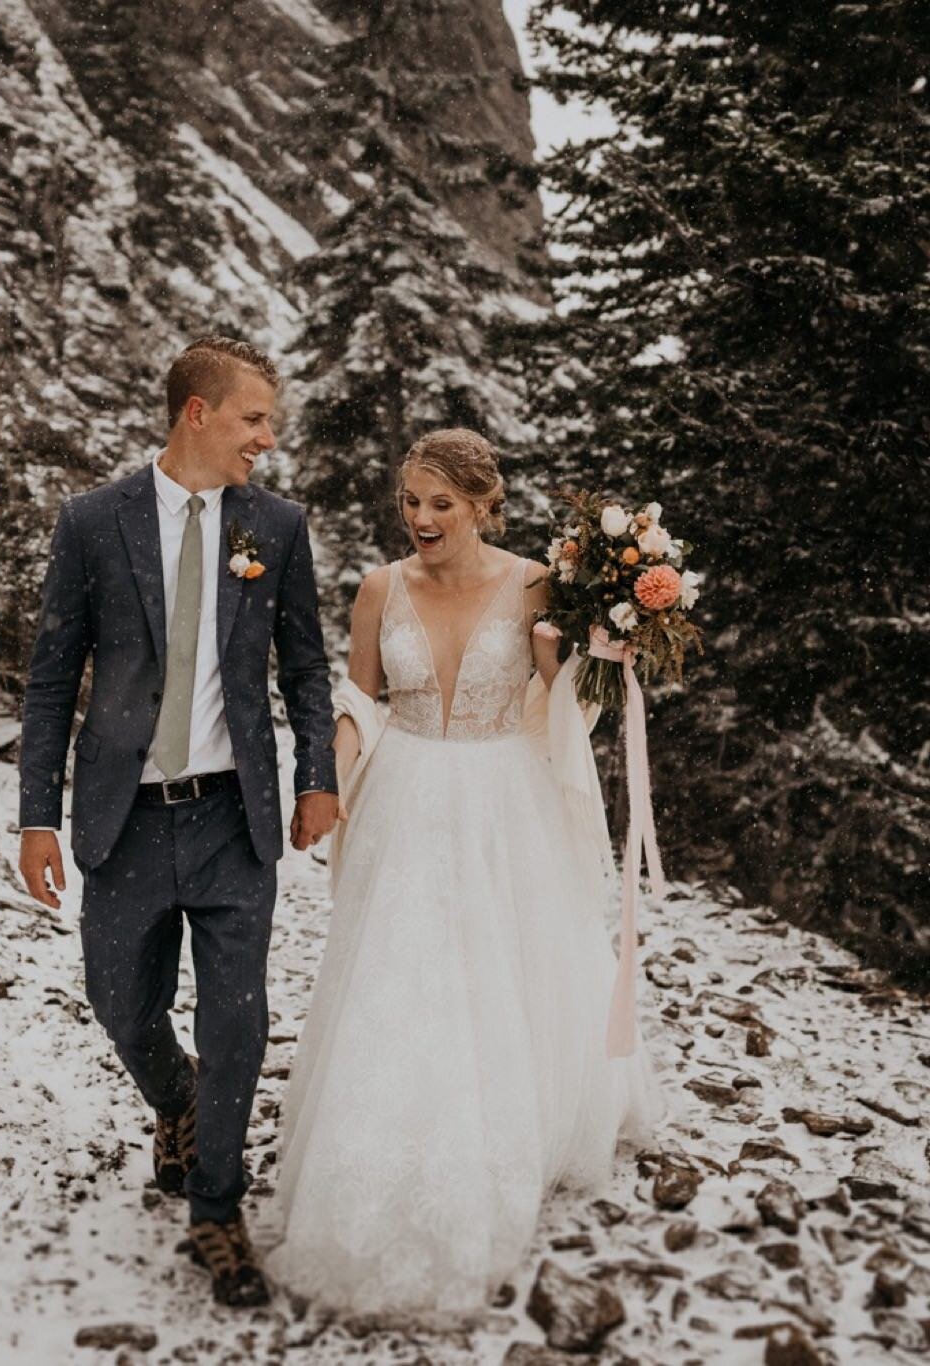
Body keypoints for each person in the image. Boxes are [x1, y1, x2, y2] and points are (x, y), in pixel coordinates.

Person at [262, 428, 659, 1317]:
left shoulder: (535, 586)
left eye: (442, 503)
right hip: (402, 795)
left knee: (498, 964)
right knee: (400, 975)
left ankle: (502, 1133)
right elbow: (360, 698)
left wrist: (585, 660)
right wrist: (330, 783)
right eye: (410, 501)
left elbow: (561, 705)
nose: (421, 520)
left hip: (500, 795)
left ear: (485, 504)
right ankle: (380, 1144)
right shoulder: (376, 589)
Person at [16, 336, 339, 1308]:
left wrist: (316, 775)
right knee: (121, 1004)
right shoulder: (91, 521)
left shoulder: (275, 527)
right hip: (123, 817)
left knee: (237, 1024)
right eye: (252, 419)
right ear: (195, 411)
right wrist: (36, 816)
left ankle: (215, 1207)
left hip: (233, 820)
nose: (266, 440)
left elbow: (306, 668)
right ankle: (177, 1103)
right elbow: (48, 676)